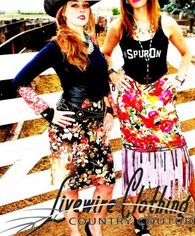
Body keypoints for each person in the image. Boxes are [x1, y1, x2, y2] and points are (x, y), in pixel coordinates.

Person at [101, 0, 195, 235]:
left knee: (179, 154)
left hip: (161, 100)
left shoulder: (166, 23)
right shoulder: (119, 24)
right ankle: (138, 216)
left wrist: (179, 78)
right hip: (132, 102)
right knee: (134, 159)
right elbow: (105, 54)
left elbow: (186, 53)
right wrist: (112, 74)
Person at [12, 0, 115, 235]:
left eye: (85, 5)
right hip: (69, 129)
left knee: (106, 183)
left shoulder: (91, 40)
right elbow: (19, 81)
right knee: (71, 187)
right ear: (63, 13)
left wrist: (110, 109)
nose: (81, 10)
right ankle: (75, 233)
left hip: (96, 128)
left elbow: (101, 80)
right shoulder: (57, 46)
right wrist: (48, 113)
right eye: (74, 5)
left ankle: (94, 228)